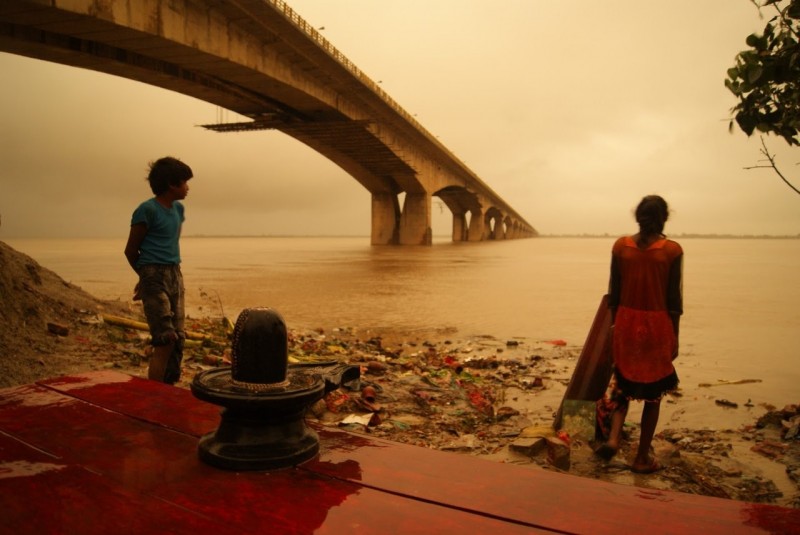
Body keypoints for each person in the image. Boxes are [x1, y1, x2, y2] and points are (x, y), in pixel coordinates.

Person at [595, 195, 683, 474]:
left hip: (626, 321)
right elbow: (674, 300)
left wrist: (613, 325)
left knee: (623, 383)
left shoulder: (621, 247)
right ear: (664, 217)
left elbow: (614, 291)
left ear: (638, 216)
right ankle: (641, 457)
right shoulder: (671, 251)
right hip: (657, 326)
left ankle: (612, 439)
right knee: (653, 395)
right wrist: (675, 336)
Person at [124, 156, 193, 384]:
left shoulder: (178, 210)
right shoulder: (146, 210)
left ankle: (169, 387)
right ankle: (155, 393)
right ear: (172, 184)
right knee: (165, 339)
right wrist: (146, 277)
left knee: (179, 338)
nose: (187, 187)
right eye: (184, 182)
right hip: (154, 275)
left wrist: (146, 278)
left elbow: (169, 244)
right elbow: (131, 251)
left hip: (175, 273)